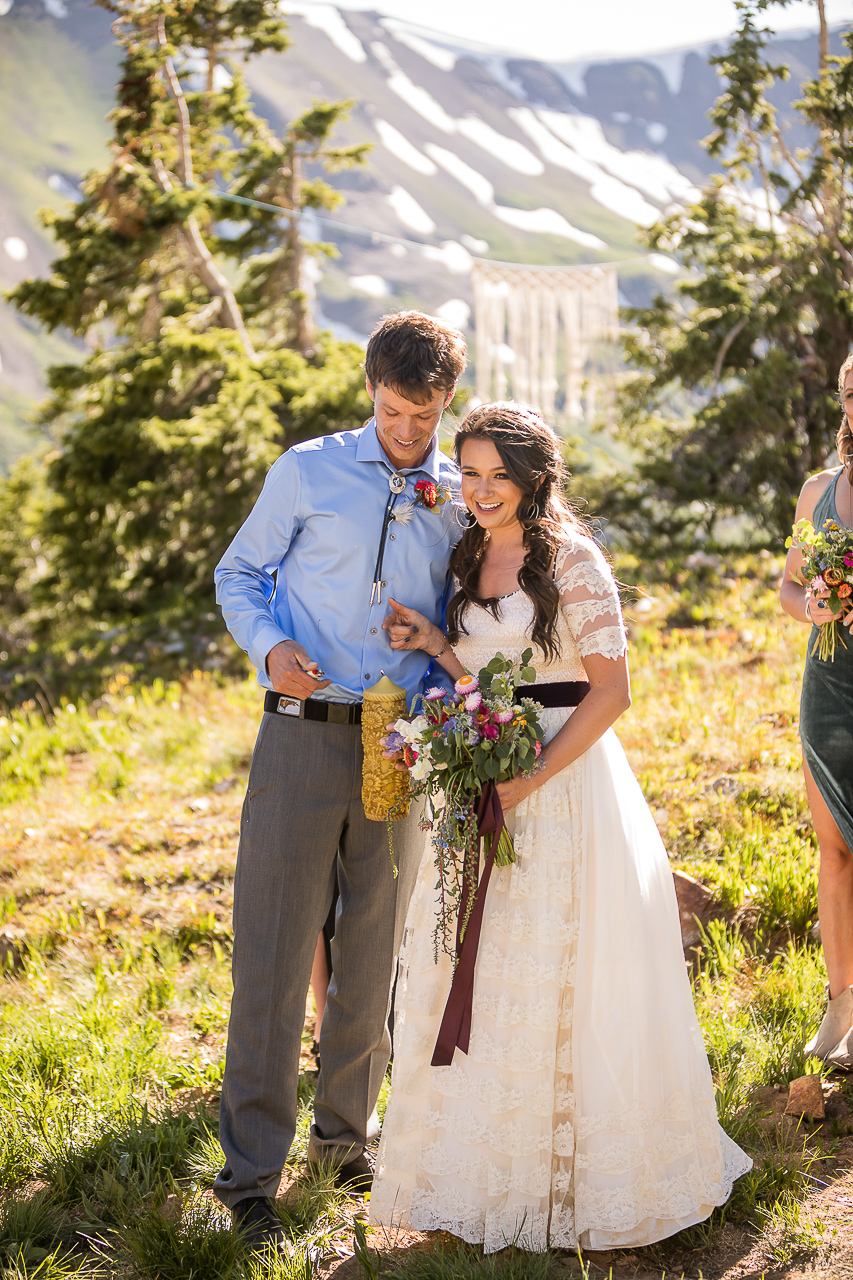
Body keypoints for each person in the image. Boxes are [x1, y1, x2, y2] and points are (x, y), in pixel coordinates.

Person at [370, 402, 752, 1252]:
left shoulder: (572, 560)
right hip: (485, 775)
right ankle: (486, 1173)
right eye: (467, 473)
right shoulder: (469, 553)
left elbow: (611, 691)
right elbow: (488, 669)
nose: (478, 490)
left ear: (534, 477)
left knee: (567, 965)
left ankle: (581, 1178)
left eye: (496, 475)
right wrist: (438, 646)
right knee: (488, 962)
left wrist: (532, 779)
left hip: (566, 784)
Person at [212, 311, 467, 1252]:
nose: (410, 433)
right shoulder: (306, 469)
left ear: (447, 403)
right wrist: (270, 647)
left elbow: (463, 621)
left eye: (427, 415)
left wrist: (436, 679)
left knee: (370, 955)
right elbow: (238, 572)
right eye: (397, 413)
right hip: (300, 732)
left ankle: (345, 1143)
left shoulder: (455, 490)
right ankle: (248, 1177)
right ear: (371, 391)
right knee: (273, 956)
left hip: (395, 741)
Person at [780, 352, 853, 1069]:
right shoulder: (817, 492)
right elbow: (788, 587)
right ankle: (838, 1003)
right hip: (828, 684)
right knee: (832, 852)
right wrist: (814, 604)